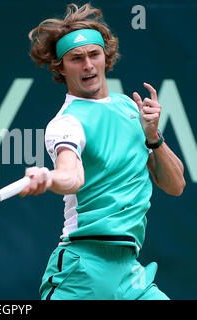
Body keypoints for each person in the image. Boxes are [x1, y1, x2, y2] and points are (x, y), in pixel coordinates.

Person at [20, 3, 186, 300]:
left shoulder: (130, 109)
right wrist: (49, 177)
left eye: (94, 54)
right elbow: (71, 176)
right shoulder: (67, 123)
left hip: (130, 272)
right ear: (61, 66)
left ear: (105, 57)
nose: (88, 65)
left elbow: (176, 186)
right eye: (76, 58)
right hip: (81, 271)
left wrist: (154, 137)